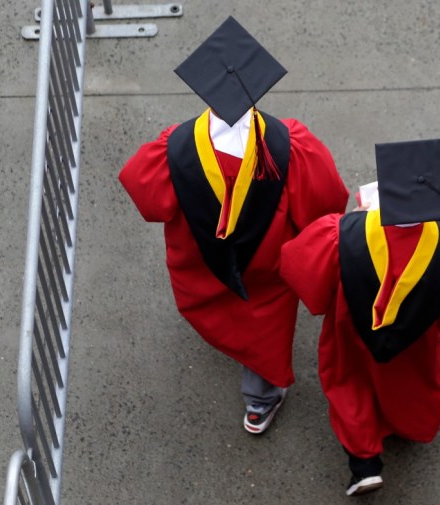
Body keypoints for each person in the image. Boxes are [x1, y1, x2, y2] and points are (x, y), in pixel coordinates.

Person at [118, 16, 349, 435]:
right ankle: (260, 402)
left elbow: (145, 196)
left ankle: (242, 362)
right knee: (263, 331)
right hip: (267, 271)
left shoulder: (173, 147)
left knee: (223, 313)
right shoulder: (291, 146)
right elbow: (328, 203)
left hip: (201, 267)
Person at [279, 137, 440, 496]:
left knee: (349, 385)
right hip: (413, 346)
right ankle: (408, 428)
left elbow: (295, 267)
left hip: (347, 332)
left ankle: (364, 465)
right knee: (409, 387)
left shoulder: (341, 234)